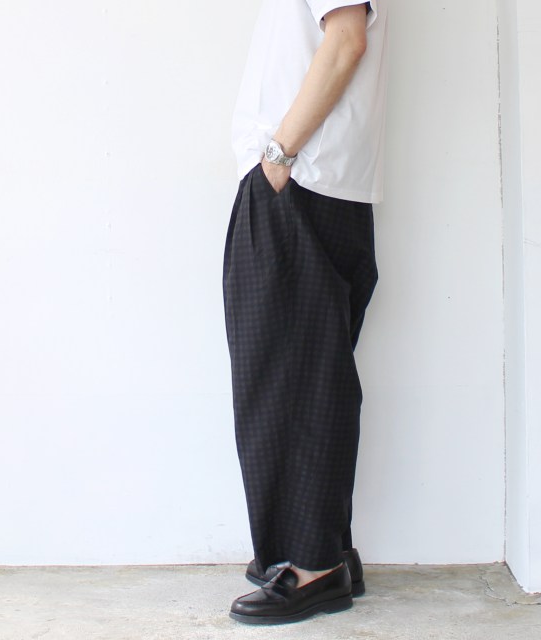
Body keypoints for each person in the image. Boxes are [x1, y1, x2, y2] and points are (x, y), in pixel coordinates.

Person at [221, 0, 388, 625]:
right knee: (315, 375)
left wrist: (277, 155)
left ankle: (311, 563)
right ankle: (326, 549)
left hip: (301, 179)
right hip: (316, 181)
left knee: (284, 378)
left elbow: (345, 42)